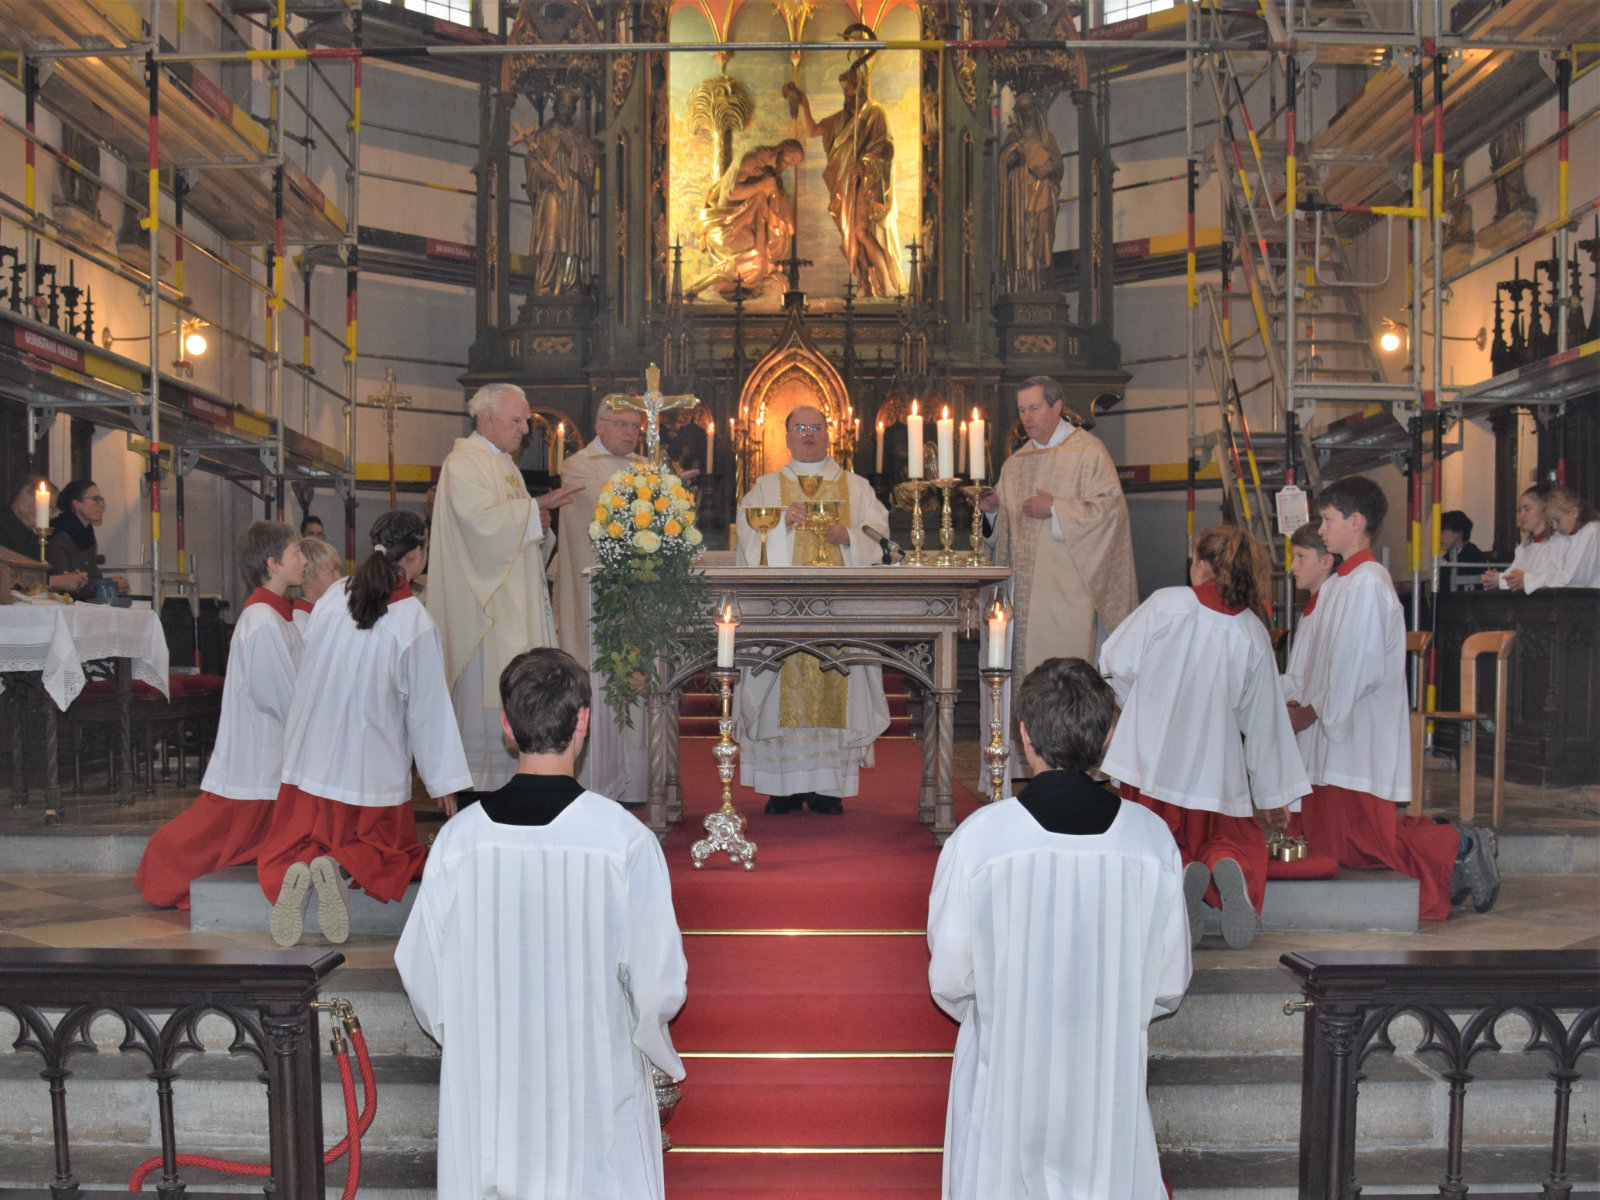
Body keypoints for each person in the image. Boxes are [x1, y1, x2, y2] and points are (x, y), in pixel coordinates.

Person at [395, 647, 687, 1200]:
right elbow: (657, 987)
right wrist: (647, 1044)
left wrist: (473, 1042)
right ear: (583, 721)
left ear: (507, 726)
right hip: (594, 1090)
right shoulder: (622, 840)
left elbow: (422, 974)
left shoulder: (459, 842)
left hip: (491, 1095)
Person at [927, 656, 1191, 1200]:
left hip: (1006, 1077)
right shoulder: (1151, 842)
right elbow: (1168, 984)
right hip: (1106, 1077)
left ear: (1023, 734)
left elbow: (951, 979)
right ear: (1109, 735)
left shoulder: (980, 842)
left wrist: (1008, 1015)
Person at [1289, 476, 1499, 920]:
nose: (1321, 530)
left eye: (1328, 520)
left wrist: (1314, 712)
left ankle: (1459, 844)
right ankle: (1454, 850)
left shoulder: (1367, 582)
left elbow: (1358, 668)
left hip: (1356, 738)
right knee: (1340, 846)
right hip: (1332, 735)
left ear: (1356, 520)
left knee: (1366, 846)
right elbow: (1320, 667)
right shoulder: (1339, 586)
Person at [259, 510, 472, 947]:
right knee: (393, 853)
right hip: (367, 767)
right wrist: (444, 781)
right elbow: (428, 711)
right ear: (416, 555)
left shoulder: (334, 596)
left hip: (311, 762)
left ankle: (307, 866)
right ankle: (338, 867)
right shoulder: (414, 620)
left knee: (304, 836)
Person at [1098, 525, 1310, 949]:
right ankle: (1223, 862)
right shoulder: (1251, 631)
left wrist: (1143, 709)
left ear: (1202, 564)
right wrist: (1276, 796)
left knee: (1157, 839)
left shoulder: (1166, 604)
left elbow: (1112, 662)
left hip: (1152, 761)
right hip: (1217, 769)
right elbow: (1264, 718)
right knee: (1230, 837)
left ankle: (1180, 876)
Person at [135, 522, 306, 909]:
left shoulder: (280, 616)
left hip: (275, 750)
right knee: (209, 836)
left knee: (233, 834)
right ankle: (160, 872)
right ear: (273, 563)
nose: (303, 559)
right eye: (296, 552)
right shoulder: (262, 620)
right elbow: (277, 695)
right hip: (261, 751)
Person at [734, 405, 890, 814]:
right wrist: (781, 523)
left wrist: (850, 538)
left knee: (836, 685)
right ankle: (781, 788)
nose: (809, 434)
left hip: (839, 614)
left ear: (829, 434)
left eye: (816, 427)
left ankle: (828, 787)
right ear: (785, 436)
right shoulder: (765, 489)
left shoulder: (856, 488)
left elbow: (881, 541)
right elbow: (748, 541)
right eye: (800, 427)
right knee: (778, 694)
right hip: (779, 612)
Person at [427, 383, 581, 793]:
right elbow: (478, 527)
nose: (525, 428)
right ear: (487, 417)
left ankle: (519, 787)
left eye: (526, 419)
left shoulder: (504, 465)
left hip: (515, 609)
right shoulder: (464, 464)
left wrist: (539, 527)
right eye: (517, 420)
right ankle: (481, 796)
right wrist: (536, 510)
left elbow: (514, 527)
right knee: (488, 699)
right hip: (487, 615)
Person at [979, 376, 1138, 670]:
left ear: (1057, 407)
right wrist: (992, 513)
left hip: (1068, 597)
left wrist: (1055, 509)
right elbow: (998, 539)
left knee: (1064, 678)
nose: (1026, 417)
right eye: (1022, 410)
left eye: (1034, 408)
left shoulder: (1088, 452)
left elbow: (1110, 512)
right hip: (1022, 601)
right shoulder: (1015, 464)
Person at [782, 57, 906, 298]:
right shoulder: (840, 119)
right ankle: (864, 284)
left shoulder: (875, 113)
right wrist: (805, 105)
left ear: (860, 88)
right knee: (850, 238)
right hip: (843, 186)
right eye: (844, 91)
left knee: (861, 231)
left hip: (864, 184)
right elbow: (812, 130)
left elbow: (885, 147)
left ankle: (888, 283)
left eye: (850, 89)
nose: (847, 95)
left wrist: (866, 164)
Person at [551, 404, 645, 668]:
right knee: (596, 650)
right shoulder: (577, 466)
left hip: (640, 580)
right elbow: (602, 504)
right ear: (599, 426)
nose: (630, 432)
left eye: (635, 426)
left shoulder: (645, 465)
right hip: (594, 582)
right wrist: (655, 492)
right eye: (621, 424)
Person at [689, 139, 805, 299]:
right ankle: (707, 286)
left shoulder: (768, 169)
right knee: (754, 253)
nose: (786, 167)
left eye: (791, 165)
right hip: (724, 226)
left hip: (740, 223)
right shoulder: (751, 160)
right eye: (787, 161)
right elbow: (732, 193)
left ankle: (733, 288)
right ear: (781, 150)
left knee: (761, 259)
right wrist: (761, 186)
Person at [515, 86, 598, 296]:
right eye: (562, 106)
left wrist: (573, 148)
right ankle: (546, 283)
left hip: (573, 193)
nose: (565, 111)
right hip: (550, 191)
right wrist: (545, 176)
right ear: (555, 107)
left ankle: (571, 285)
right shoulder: (543, 136)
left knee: (571, 237)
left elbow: (589, 164)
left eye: (569, 107)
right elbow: (532, 162)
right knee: (550, 234)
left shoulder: (579, 136)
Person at [1282, 523, 1340, 778]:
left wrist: (1305, 708)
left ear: (1326, 561)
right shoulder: (1315, 606)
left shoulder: (1334, 606)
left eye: (1301, 557)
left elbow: (1334, 675)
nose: (1292, 567)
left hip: (1325, 727)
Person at [998, 92, 1064, 293]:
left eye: (1028, 109)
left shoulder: (1046, 137)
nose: (1026, 114)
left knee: (1041, 235)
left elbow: (1058, 164)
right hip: (1019, 196)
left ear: (1035, 111)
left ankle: (1041, 279)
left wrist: (1049, 168)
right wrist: (1013, 157)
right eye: (1021, 110)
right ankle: (1022, 283)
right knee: (1021, 237)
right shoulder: (1013, 137)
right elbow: (1003, 165)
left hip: (1042, 195)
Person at [0, 477, 88, 593]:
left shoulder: (34, 534)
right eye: (48, 507)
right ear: (25, 500)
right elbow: (6, 575)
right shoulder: (3, 525)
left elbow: (35, 571)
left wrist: (68, 578)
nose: (50, 514)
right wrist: (54, 581)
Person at [47, 479, 130, 600]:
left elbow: (92, 576)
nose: (101, 505)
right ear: (76, 504)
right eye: (95, 499)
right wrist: (108, 584)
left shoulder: (87, 532)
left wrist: (112, 584)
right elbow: (64, 581)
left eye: (101, 500)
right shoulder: (59, 534)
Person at [1514, 485, 1598, 591]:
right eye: (1551, 522)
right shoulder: (1572, 534)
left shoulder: (1592, 531)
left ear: (1574, 512)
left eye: (1557, 520)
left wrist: (1527, 580)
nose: (1555, 527)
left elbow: (1572, 579)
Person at [1482, 484, 1560, 591]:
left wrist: (1500, 580)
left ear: (1545, 509)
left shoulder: (1558, 543)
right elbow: (1513, 574)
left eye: (1527, 509)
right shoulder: (1524, 547)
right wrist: (1495, 578)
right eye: (1520, 510)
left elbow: (1549, 579)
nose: (1521, 515)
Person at [291, 536, 343, 632]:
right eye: (331, 573)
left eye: (339, 570)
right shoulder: (301, 623)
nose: (340, 578)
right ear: (307, 581)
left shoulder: (324, 616)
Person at [1438, 510, 1487, 589]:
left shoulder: (1474, 557)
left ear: (1459, 531)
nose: (1439, 536)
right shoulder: (1444, 559)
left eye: (1443, 531)